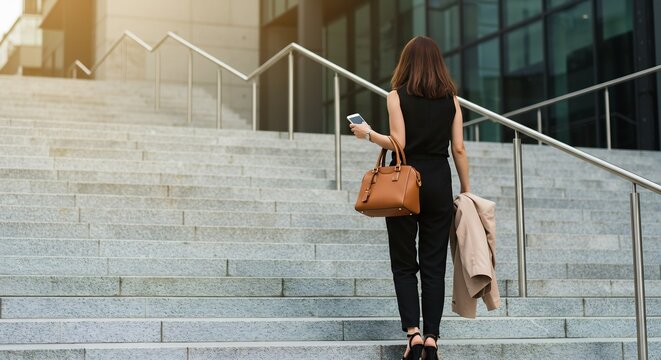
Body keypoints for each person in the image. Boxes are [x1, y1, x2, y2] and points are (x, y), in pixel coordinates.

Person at [349, 36, 470, 360]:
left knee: (404, 264)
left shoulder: (396, 96)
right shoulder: (451, 99)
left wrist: (368, 134)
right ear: (437, 65)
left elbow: (398, 142)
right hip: (439, 182)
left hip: (404, 182)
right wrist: (467, 190)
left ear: (406, 63)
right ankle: (432, 338)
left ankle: (413, 336)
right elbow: (458, 148)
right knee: (434, 265)